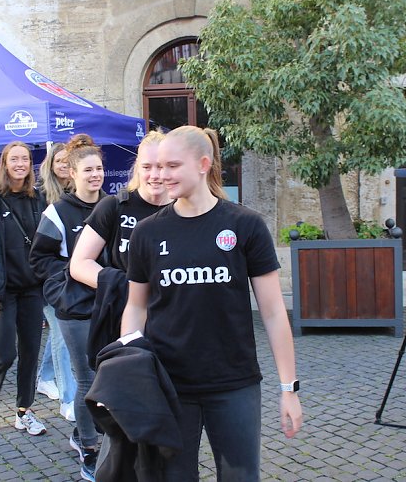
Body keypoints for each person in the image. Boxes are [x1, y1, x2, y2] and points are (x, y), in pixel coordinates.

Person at [121, 126, 302, 481]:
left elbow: (273, 312)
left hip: (234, 384)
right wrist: (128, 369)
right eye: (156, 166)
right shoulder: (147, 232)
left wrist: (289, 388)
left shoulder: (245, 225)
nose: (161, 175)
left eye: (172, 166)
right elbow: (136, 306)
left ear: (203, 164)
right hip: (169, 385)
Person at [30, 134, 106, 481]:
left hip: (111, 307)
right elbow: (40, 259)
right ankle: (88, 448)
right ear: (71, 174)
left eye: (100, 168)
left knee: (110, 376)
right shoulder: (57, 212)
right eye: (88, 169)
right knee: (87, 378)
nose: (95, 175)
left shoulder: (114, 206)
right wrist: (70, 281)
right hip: (75, 310)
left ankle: (89, 434)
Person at [71, 130, 171, 366]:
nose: (155, 175)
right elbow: (79, 264)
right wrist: (124, 285)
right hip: (125, 317)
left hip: (174, 321)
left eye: (162, 166)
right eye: (147, 167)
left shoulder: (184, 208)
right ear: (137, 167)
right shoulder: (115, 206)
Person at [0, 141, 48, 435]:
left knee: (30, 351)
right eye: (14, 159)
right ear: (4, 164)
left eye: (25, 159)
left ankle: (24, 410)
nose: (20, 164)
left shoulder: (38, 198)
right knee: (4, 352)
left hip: (31, 289)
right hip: (0, 292)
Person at [35, 142, 78, 423]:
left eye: (67, 160)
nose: (62, 164)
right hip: (48, 276)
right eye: (58, 160)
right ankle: (69, 398)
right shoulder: (40, 195)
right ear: (50, 164)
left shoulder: (76, 193)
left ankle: (44, 377)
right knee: (62, 336)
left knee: (57, 333)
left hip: (73, 275)